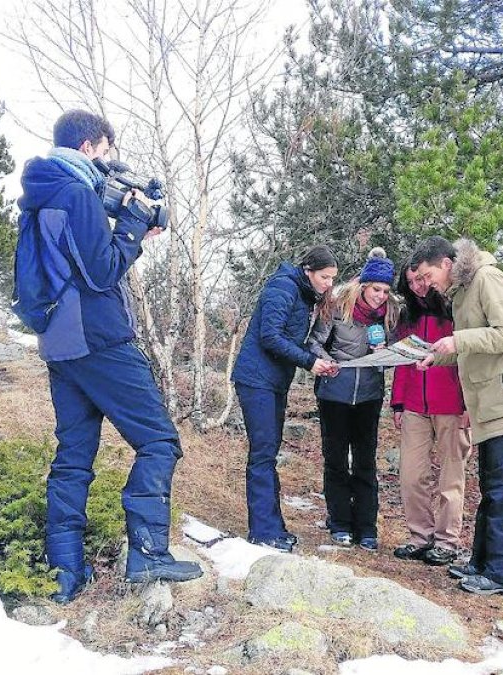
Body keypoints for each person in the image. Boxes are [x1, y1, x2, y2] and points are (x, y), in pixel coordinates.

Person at [18, 110, 201, 604]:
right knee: (159, 440)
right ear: (88, 146)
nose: (108, 161)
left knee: (73, 458)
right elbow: (101, 273)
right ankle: (148, 554)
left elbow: (73, 264)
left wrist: (128, 231)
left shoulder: (41, 192)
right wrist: (134, 227)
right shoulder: (76, 193)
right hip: (98, 337)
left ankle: (64, 573)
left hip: (59, 342)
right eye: (105, 150)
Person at [411, 236, 503, 597]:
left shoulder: (488, 278)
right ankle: (483, 563)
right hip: (487, 405)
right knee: (491, 487)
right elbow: (473, 348)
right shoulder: (461, 292)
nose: (425, 285)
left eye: (427, 276)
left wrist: (458, 341)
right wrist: (437, 356)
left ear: (445, 264)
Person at [232, 246, 340, 552]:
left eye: (332, 278)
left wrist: (319, 359)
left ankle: (273, 526)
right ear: (308, 270)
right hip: (256, 380)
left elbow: (292, 340)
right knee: (263, 454)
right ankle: (263, 531)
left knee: (269, 452)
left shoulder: (304, 294)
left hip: (274, 382)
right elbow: (270, 336)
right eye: (324, 277)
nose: (329, 283)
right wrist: (309, 362)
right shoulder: (283, 287)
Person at [307, 247, 399, 551]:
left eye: (385, 291)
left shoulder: (391, 313)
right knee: (335, 459)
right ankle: (340, 523)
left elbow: (395, 355)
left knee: (365, 461)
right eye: (376, 289)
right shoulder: (337, 305)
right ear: (363, 285)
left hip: (369, 395)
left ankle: (367, 528)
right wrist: (327, 362)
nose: (380, 296)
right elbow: (314, 343)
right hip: (335, 392)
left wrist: (383, 354)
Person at [390, 265, 471, 567]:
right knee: (412, 475)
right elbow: (402, 359)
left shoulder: (456, 309)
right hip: (414, 405)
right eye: (410, 282)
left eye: (421, 279)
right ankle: (419, 537)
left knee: (451, 478)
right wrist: (398, 402)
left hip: (452, 406)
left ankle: (447, 542)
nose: (417, 286)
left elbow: (469, 359)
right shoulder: (407, 316)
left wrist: (469, 404)